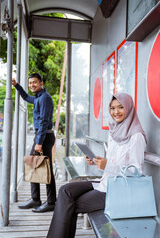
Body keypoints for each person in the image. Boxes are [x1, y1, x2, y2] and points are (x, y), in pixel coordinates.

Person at [47, 92, 147, 238]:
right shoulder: (114, 132)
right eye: (112, 108)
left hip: (118, 190)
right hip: (105, 182)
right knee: (65, 191)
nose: (116, 112)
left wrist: (107, 166)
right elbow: (113, 162)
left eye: (120, 107)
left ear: (129, 108)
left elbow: (136, 172)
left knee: (69, 204)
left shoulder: (137, 137)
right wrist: (97, 161)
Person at [12, 73, 56, 213]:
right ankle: (35, 199)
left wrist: (39, 143)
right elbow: (25, 97)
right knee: (33, 166)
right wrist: (16, 85)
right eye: (30, 83)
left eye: (34, 83)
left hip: (44, 138)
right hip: (42, 136)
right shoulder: (38, 98)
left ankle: (51, 202)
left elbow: (43, 122)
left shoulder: (45, 99)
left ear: (41, 83)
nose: (32, 85)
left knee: (46, 169)